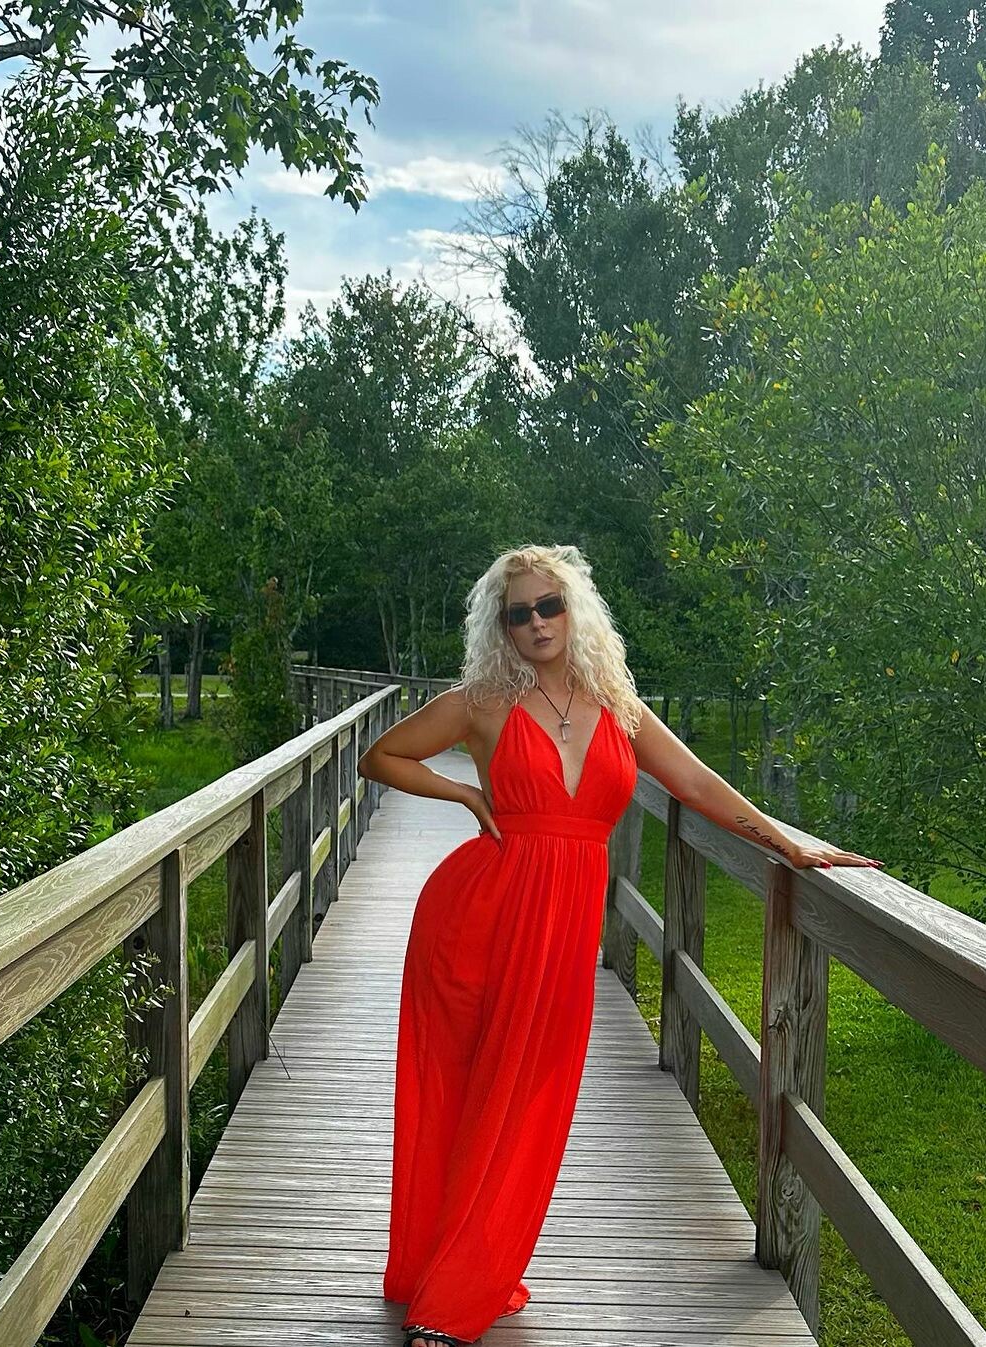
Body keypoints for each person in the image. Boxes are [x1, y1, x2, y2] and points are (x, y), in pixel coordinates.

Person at [359, 543, 880, 1347]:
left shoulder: (618, 706)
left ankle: (468, 1271)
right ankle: (446, 1292)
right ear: (502, 625)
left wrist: (788, 842)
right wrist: (463, 790)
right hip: (478, 921)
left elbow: (696, 783)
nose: (537, 622)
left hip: (563, 930)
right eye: (519, 613)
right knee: (468, 1095)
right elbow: (381, 755)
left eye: (550, 605)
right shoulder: (483, 702)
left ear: (575, 610)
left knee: (529, 1104)